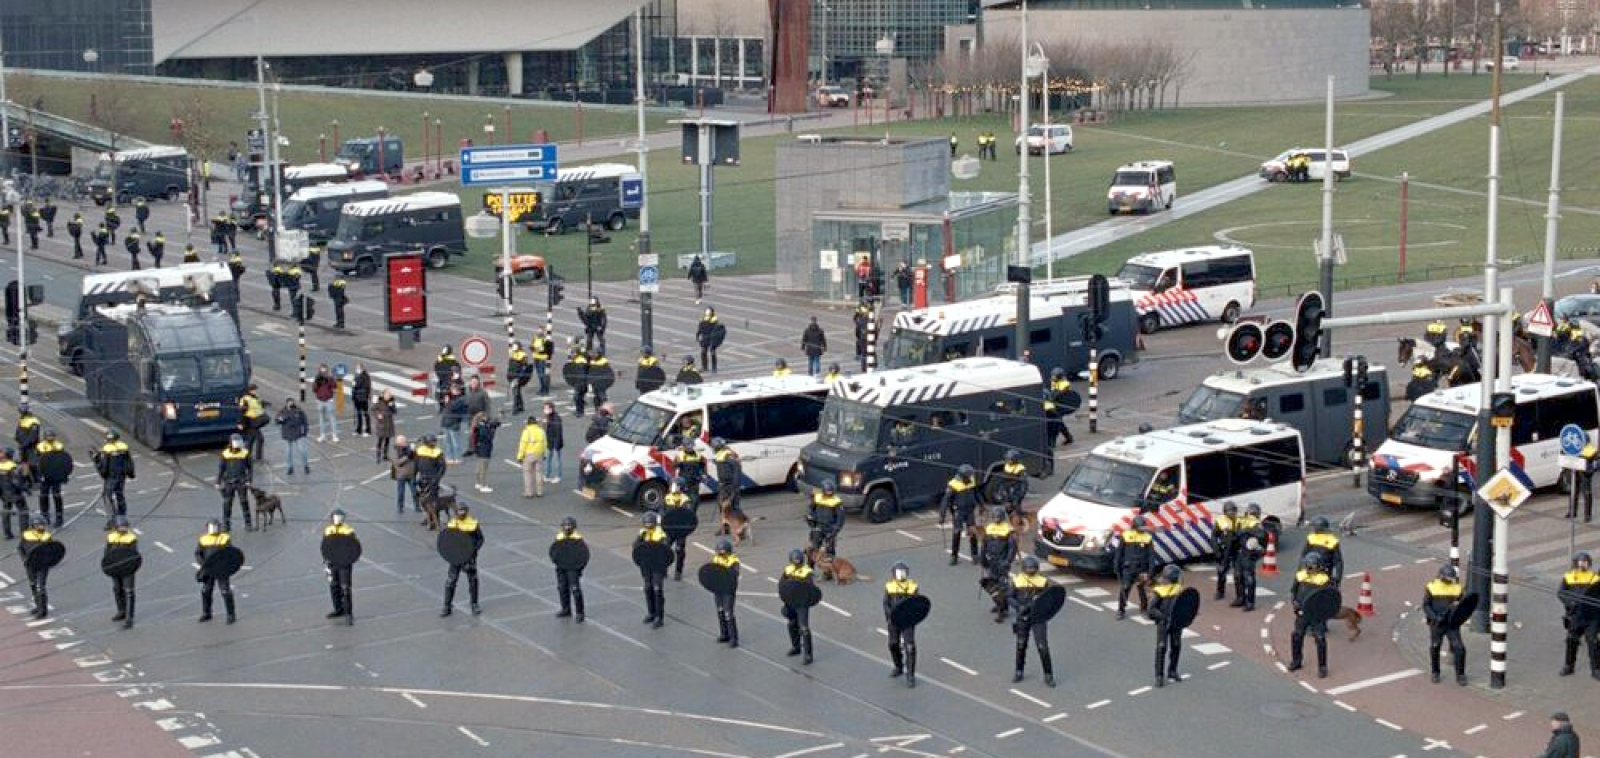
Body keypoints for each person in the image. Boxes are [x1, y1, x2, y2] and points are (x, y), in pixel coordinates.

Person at [1010, 556, 1056, 686]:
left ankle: (1048, 674)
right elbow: (1009, 597)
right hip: (1023, 616)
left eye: (1033, 568)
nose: (1031, 570)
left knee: (1042, 646)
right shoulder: (1017, 581)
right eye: (1029, 568)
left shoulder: (1042, 581)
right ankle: (1019, 670)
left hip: (1038, 618)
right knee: (1021, 644)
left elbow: (1049, 599)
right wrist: (1019, 607)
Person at [1423, 563, 1468, 685]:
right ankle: (1435, 672)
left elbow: (1462, 606)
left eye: (1452, 578)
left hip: (1452, 624)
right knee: (1435, 646)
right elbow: (1426, 605)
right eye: (1449, 578)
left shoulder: (1457, 588)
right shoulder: (1432, 587)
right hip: (1437, 624)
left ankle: (1461, 674)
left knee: (1459, 648)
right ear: (1442, 576)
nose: (1451, 580)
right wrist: (1435, 617)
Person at [1290, 553, 1333, 677]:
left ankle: (1322, 667)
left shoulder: (1323, 579)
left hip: (1316, 614)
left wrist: (1325, 611)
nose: (1311, 569)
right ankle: (1296, 661)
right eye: (1309, 566)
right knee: (1297, 635)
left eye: (1313, 566)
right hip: (1302, 612)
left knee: (1320, 639)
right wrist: (1294, 603)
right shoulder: (1300, 576)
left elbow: (1329, 597)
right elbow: (1293, 591)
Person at [1560, 552, 1600, 678]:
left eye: (1585, 561)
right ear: (1576, 563)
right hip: (1576, 616)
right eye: (1581, 561)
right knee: (1571, 640)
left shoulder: (1594, 577)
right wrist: (1569, 603)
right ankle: (1569, 666)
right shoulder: (1569, 577)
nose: (1583, 564)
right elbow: (1561, 593)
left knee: (1593, 642)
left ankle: (1596, 669)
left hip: (1592, 616)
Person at [440, 504, 485, 617]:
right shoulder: (452, 524)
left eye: (463, 511)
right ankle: (447, 606)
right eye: (459, 511)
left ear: (466, 512)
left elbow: (480, 539)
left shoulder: (472, 524)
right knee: (451, 581)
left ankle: (474, 604)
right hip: (456, 558)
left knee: (473, 580)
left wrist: (473, 550)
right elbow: (446, 540)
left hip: (469, 558)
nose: (461, 513)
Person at [1149, 564, 1187, 687]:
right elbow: (1151, 609)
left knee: (1176, 645)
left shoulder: (1179, 589)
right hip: (1164, 623)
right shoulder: (1159, 591)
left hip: (1176, 623)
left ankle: (1172, 671)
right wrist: (1163, 617)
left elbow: (1185, 604)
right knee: (1161, 647)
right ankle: (1159, 675)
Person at [884, 561, 921, 687]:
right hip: (894, 620)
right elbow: (886, 603)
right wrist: (889, 616)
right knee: (893, 644)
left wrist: (913, 618)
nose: (900, 575)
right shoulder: (889, 586)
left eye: (903, 572)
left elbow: (917, 605)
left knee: (910, 646)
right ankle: (898, 666)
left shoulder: (912, 587)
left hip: (907, 620)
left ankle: (910, 675)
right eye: (898, 572)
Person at [1115, 515, 1156, 620]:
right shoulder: (1126, 536)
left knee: (1142, 590)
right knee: (1125, 589)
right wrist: (1117, 566)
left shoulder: (1147, 537)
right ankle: (1121, 610)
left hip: (1142, 569)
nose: (1142, 530)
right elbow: (1119, 553)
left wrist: (1150, 571)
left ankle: (1143, 609)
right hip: (1128, 568)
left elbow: (1151, 555)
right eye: (1140, 528)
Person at [195, 520, 237, 624]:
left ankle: (231, 615)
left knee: (225, 591)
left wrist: (226, 564)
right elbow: (198, 553)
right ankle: (206, 613)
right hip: (209, 569)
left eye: (215, 526)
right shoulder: (203, 539)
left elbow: (230, 553)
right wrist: (203, 564)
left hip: (221, 569)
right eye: (212, 527)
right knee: (206, 590)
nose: (214, 529)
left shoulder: (224, 538)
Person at [939, 464, 981, 565]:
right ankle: (954, 556)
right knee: (957, 533)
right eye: (969, 475)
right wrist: (942, 515)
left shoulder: (971, 481)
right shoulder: (953, 484)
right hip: (959, 512)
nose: (971, 477)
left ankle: (974, 555)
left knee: (973, 532)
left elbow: (976, 493)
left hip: (970, 510)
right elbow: (945, 500)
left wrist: (982, 505)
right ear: (963, 476)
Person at [780, 548, 817, 663]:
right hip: (791, 602)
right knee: (791, 623)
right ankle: (796, 647)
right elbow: (782, 585)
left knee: (804, 628)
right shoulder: (788, 570)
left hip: (801, 603)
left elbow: (810, 589)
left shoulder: (807, 572)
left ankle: (808, 654)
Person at [982, 507, 1018, 621]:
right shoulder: (989, 528)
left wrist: (1008, 561)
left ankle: (1002, 611)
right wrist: (983, 558)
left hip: (1002, 561)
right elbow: (984, 544)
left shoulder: (1008, 530)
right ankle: (999, 604)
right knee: (992, 585)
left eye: (998, 517)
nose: (996, 519)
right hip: (991, 561)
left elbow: (1012, 548)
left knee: (1002, 587)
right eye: (994, 517)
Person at [322, 509, 357, 624]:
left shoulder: (348, 530)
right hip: (332, 563)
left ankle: (348, 613)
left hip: (344, 564)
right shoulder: (328, 530)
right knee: (334, 586)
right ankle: (338, 609)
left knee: (345, 588)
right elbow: (325, 546)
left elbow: (353, 548)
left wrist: (348, 560)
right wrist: (326, 560)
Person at [636, 512, 669, 628]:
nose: (648, 526)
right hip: (646, 565)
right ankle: (651, 612)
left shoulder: (661, 535)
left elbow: (665, 552)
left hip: (658, 566)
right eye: (646, 524)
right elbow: (636, 547)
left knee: (657, 589)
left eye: (650, 524)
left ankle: (659, 617)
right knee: (647, 588)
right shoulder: (642, 533)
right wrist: (640, 538)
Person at [216, 434, 255, 532]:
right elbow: (221, 468)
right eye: (235, 441)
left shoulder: (245, 453)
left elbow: (250, 468)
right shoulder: (225, 454)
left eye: (239, 441)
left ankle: (248, 523)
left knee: (244, 502)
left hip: (241, 481)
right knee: (227, 503)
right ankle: (226, 524)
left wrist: (249, 480)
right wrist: (218, 481)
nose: (237, 443)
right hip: (229, 481)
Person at [20, 515, 57, 618]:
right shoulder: (26, 535)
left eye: (42, 525)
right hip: (30, 565)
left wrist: (49, 561)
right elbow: (20, 548)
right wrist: (24, 559)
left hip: (42, 565)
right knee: (32, 584)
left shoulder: (46, 536)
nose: (41, 527)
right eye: (38, 525)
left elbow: (52, 550)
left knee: (40, 586)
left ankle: (43, 610)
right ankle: (38, 606)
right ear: (33, 525)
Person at [105, 515, 138, 629]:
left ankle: (129, 618)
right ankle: (121, 611)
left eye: (124, 526)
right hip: (116, 567)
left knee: (128, 592)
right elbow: (107, 554)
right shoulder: (111, 538)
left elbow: (134, 555)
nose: (123, 528)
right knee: (117, 589)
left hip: (128, 568)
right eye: (121, 526)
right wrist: (109, 566)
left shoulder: (131, 538)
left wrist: (131, 567)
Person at [33, 430, 71, 528]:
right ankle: (44, 516)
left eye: (52, 436)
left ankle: (59, 518)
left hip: (55, 476)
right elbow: (37, 462)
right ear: (45, 437)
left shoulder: (59, 446)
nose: (50, 438)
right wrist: (38, 475)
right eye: (48, 436)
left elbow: (63, 461)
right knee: (43, 496)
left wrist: (64, 475)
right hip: (44, 476)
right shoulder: (40, 446)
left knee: (56, 496)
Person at [709, 538, 742, 647]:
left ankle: (734, 638)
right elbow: (711, 571)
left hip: (728, 589)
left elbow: (734, 574)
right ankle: (724, 634)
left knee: (728, 612)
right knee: (720, 610)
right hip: (718, 588)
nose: (721, 555)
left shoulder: (733, 561)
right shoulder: (716, 558)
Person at [93, 430, 135, 517]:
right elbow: (129, 462)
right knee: (119, 493)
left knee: (107, 496)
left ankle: (112, 517)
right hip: (122, 475)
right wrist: (131, 473)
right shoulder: (124, 447)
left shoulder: (107, 449)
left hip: (111, 476)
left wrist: (96, 460)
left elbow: (104, 466)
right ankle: (122, 513)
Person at [553, 516, 586, 622]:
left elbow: (583, 556)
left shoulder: (578, 539)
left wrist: (579, 569)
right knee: (562, 588)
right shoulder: (559, 537)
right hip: (561, 567)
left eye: (569, 525)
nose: (567, 528)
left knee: (575, 589)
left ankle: (580, 613)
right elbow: (554, 552)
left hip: (573, 568)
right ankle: (566, 609)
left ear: (573, 527)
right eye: (565, 525)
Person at [1232, 504, 1264, 611]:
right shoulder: (1241, 521)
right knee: (1237, 576)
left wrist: (1247, 530)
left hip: (1250, 554)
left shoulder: (1257, 524)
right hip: (1240, 552)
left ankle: (1250, 603)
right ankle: (1240, 598)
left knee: (1249, 578)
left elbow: (1261, 534)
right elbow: (1236, 533)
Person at [663, 478, 695, 580]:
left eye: (676, 485)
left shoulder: (686, 500)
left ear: (680, 487)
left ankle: (678, 571)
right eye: (673, 485)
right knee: (665, 549)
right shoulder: (667, 498)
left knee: (679, 550)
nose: (673, 487)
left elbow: (688, 515)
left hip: (681, 530)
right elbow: (662, 510)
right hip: (670, 529)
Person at [986, 449, 1029, 521]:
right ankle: (1009, 515)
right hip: (1008, 486)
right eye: (1007, 459)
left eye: (1010, 459)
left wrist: (1012, 477)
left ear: (1015, 459)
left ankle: (1020, 516)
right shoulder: (1007, 466)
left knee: (1016, 501)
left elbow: (1023, 479)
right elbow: (1005, 475)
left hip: (1018, 486)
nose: (1008, 461)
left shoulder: (1020, 468)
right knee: (1007, 500)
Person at [807, 480, 843, 565]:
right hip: (818, 527)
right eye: (827, 491)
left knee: (829, 552)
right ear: (823, 490)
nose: (829, 493)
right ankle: (809, 572)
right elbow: (812, 509)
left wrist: (834, 531)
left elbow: (840, 519)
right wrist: (810, 517)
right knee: (813, 549)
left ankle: (829, 572)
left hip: (830, 529)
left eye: (830, 491)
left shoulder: (836, 502)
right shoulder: (817, 497)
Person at [1302, 516, 1345, 584]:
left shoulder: (1311, 538)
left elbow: (1303, 556)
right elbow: (1338, 562)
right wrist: (1338, 579)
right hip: (1325, 575)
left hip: (1309, 574)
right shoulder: (1332, 540)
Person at [414, 436, 447, 521]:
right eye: (432, 442)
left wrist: (437, 478)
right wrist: (414, 475)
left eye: (434, 442)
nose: (434, 443)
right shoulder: (420, 450)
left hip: (432, 478)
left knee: (433, 499)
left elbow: (442, 467)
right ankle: (428, 516)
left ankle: (435, 517)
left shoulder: (437, 452)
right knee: (424, 500)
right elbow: (416, 463)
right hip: (422, 477)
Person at [0, 449, 31, 540]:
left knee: (6, 512)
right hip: (16, 494)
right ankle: (24, 533)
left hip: (4, 494)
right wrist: (27, 490)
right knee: (23, 511)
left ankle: (7, 533)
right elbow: (16, 482)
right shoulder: (13, 467)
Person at [712, 438, 744, 526]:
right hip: (723, 485)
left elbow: (737, 471)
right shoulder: (720, 454)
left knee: (735, 507)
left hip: (731, 485)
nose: (713, 449)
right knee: (721, 505)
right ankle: (725, 526)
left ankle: (741, 528)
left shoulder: (729, 455)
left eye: (714, 447)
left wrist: (735, 487)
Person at [1212, 502, 1239, 600]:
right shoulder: (1220, 521)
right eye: (1229, 511)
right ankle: (1220, 592)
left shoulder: (1240, 521)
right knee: (1221, 572)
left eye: (1233, 510)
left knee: (1238, 575)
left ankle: (1239, 597)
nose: (1231, 513)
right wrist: (1217, 551)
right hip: (1225, 550)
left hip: (1237, 551)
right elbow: (1214, 537)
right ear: (1225, 512)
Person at [275, 399, 310, 475]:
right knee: (288, 453)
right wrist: (283, 418)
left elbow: (305, 421)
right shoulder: (282, 412)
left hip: (298, 434)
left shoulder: (299, 411)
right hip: (287, 434)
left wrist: (305, 431)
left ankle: (306, 465)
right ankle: (290, 467)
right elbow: (277, 421)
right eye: (290, 403)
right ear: (287, 404)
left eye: (292, 403)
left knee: (302, 450)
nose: (291, 404)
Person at [516, 415, 548, 498]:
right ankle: (539, 492)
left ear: (528, 423)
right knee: (539, 473)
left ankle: (529, 492)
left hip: (529, 455)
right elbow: (544, 443)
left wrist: (520, 456)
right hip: (539, 454)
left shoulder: (526, 432)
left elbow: (522, 445)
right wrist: (544, 454)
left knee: (527, 473)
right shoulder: (541, 431)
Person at [1043, 368, 1076, 446]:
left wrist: (1049, 397)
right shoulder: (1055, 382)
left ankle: (1052, 444)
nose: (1052, 377)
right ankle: (1069, 437)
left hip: (1059, 406)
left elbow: (1056, 395)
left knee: (1055, 425)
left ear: (1059, 376)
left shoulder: (1063, 384)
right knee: (1059, 423)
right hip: (1053, 406)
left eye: (1054, 376)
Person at [470, 412, 502, 493]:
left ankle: (478, 483)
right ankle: (483, 485)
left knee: (479, 466)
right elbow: (489, 437)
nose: (487, 418)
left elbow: (494, 424)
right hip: (484, 448)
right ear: (482, 418)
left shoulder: (478, 425)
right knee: (484, 468)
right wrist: (493, 430)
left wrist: (497, 419)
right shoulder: (482, 427)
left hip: (478, 448)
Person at [391, 435, 418, 514]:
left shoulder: (409, 449)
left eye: (405, 441)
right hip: (401, 475)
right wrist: (407, 457)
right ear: (398, 443)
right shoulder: (395, 451)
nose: (406, 443)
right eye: (403, 442)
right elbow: (398, 462)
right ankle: (400, 507)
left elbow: (416, 458)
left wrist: (414, 452)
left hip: (411, 474)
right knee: (401, 492)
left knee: (415, 492)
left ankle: (417, 506)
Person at [440, 386, 468, 463]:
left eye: (455, 390)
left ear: (459, 391)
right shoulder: (450, 398)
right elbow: (442, 407)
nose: (452, 391)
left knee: (455, 442)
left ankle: (458, 457)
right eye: (452, 389)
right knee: (447, 442)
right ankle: (449, 457)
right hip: (446, 422)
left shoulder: (461, 399)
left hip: (454, 423)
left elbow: (453, 407)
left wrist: (447, 401)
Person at [676, 440, 706, 512]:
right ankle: (688, 515)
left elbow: (703, 464)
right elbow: (674, 467)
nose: (690, 447)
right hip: (684, 482)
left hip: (695, 481)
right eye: (688, 445)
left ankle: (692, 514)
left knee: (695, 500)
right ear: (684, 447)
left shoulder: (698, 454)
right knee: (685, 500)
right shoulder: (680, 455)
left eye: (691, 445)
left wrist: (703, 474)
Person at [312, 364, 339, 443]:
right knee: (321, 419)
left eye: (324, 369)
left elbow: (335, 386)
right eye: (322, 369)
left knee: (332, 418)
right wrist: (317, 382)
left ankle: (334, 435)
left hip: (329, 400)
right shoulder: (317, 378)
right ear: (320, 369)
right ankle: (322, 435)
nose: (323, 370)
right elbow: (314, 389)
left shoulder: (330, 377)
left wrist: (330, 379)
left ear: (327, 369)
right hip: (320, 400)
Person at [563, 343, 590, 417]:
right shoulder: (576, 360)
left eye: (573, 353)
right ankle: (580, 410)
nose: (572, 354)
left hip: (580, 382)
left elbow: (581, 373)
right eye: (571, 352)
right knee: (578, 397)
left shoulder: (580, 361)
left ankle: (580, 411)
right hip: (579, 382)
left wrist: (579, 382)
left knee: (577, 397)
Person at [697, 308, 726, 373]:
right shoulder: (704, 320)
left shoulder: (715, 321)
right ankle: (704, 367)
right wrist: (698, 335)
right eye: (707, 312)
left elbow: (717, 330)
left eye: (708, 312)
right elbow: (700, 328)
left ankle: (714, 367)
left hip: (712, 338)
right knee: (703, 351)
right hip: (705, 337)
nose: (707, 313)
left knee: (712, 352)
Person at [542, 401, 564, 484]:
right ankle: (547, 475)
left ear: (551, 409)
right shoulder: (547, 417)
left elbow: (558, 432)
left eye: (547, 408)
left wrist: (557, 444)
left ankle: (558, 476)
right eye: (544, 408)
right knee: (547, 459)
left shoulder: (556, 418)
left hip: (555, 443)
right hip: (549, 442)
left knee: (557, 460)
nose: (545, 410)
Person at [508, 341, 531, 415]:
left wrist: (519, 378)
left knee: (515, 393)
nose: (514, 347)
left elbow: (524, 368)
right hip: (512, 376)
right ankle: (520, 406)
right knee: (517, 391)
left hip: (517, 377)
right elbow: (511, 366)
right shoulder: (513, 354)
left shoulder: (523, 355)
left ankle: (515, 409)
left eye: (515, 346)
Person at [373, 390, 397, 463]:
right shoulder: (379, 402)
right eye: (387, 395)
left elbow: (395, 411)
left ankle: (385, 455)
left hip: (389, 424)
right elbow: (373, 410)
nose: (388, 396)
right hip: (381, 424)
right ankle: (378, 456)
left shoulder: (391, 402)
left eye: (389, 395)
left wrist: (391, 406)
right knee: (380, 441)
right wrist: (378, 415)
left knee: (387, 441)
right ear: (383, 395)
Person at [530, 328, 553, 396]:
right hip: (536, 358)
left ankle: (545, 389)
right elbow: (531, 346)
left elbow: (546, 349)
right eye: (538, 331)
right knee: (539, 374)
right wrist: (533, 348)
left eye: (540, 331)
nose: (539, 333)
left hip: (542, 359)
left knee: (542, 374)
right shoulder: (534, 338)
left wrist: (539, 350)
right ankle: (542, 388)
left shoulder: (545, 340)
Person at [351, 363, 371, 437]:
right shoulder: (356, 376)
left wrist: (355, 384)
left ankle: (368, 430)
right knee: (358, 414)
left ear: (362, 368)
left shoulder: (365, 376)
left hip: (363, 397)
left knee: (365, 414)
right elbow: (353, 386)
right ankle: (358, 430)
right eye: (356, 368)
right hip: (357, 397)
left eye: (358, 368)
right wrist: (353, 396)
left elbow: (365, 386)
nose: (357, 370)